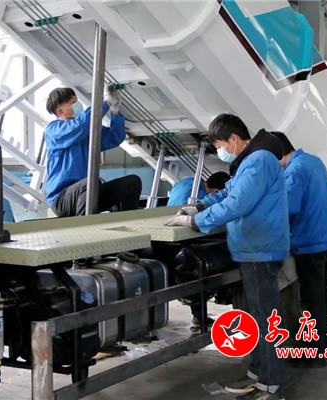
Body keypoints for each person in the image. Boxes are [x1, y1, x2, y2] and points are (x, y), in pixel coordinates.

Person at [166, 114, 289, 400]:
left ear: (233, 138)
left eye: (221, 145)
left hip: (260, 251)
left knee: (265, 320)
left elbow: (237, 204)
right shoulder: (249, 161)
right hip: (253, 249)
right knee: (256, 318)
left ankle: (271, 387)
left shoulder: (259, 161)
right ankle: (258, 374)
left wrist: (195, 222)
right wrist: (198, 207)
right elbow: (227, 194)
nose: (221, 151)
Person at [269, 131, 327, 368]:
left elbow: (288, 208)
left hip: (309, 243)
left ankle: (314, 353)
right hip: (326, 239)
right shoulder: (313, 161)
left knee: (311, 301)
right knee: (325, 295)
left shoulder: (294, 171)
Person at [44, 86, 142, 217]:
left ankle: (125, 222)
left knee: (132, 183)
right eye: (72, 102)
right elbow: (79, 126)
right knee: (91, 182)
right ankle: (84, 226)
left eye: (77, 101)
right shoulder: (54, 130)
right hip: (62, 198)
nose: (78, 104)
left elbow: (115, 137)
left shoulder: (86, 133)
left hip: (88, 192)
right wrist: (105, 103)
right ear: (60, 110)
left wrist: (115, 111)